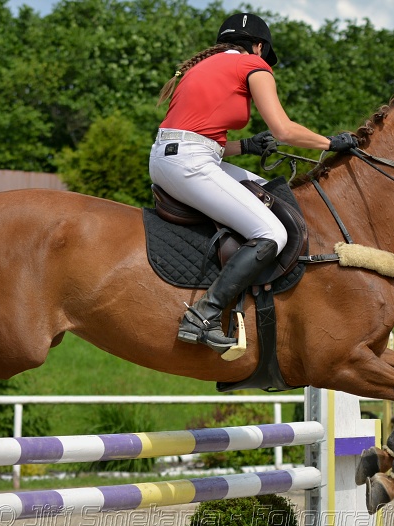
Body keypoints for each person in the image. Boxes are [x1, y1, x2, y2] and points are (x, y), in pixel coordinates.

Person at [149, 12, 358, 355]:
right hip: (189, 162)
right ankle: (204, 315)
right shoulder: (253, 65)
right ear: (259, 47)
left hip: (172, 157)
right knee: (272, 233)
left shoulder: (201, 67)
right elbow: (284, 130)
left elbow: (197, 135)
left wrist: (245, 146)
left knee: (272, 194)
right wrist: (330, 142)